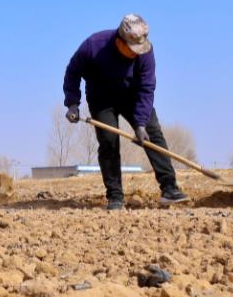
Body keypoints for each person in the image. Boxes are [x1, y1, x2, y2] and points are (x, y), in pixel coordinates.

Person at [62, 14, 189, 210]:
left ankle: (170, 189)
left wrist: (140, 123)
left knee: (152, 134)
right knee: (109, 140)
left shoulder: (145, 52)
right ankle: (115, 196)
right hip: (102, 98)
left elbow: (147, 87)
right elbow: (72, 72)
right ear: (119, 41)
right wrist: (72, 103)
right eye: (132, 49)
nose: (135, 53)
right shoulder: (94, 45)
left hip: (132, 96)